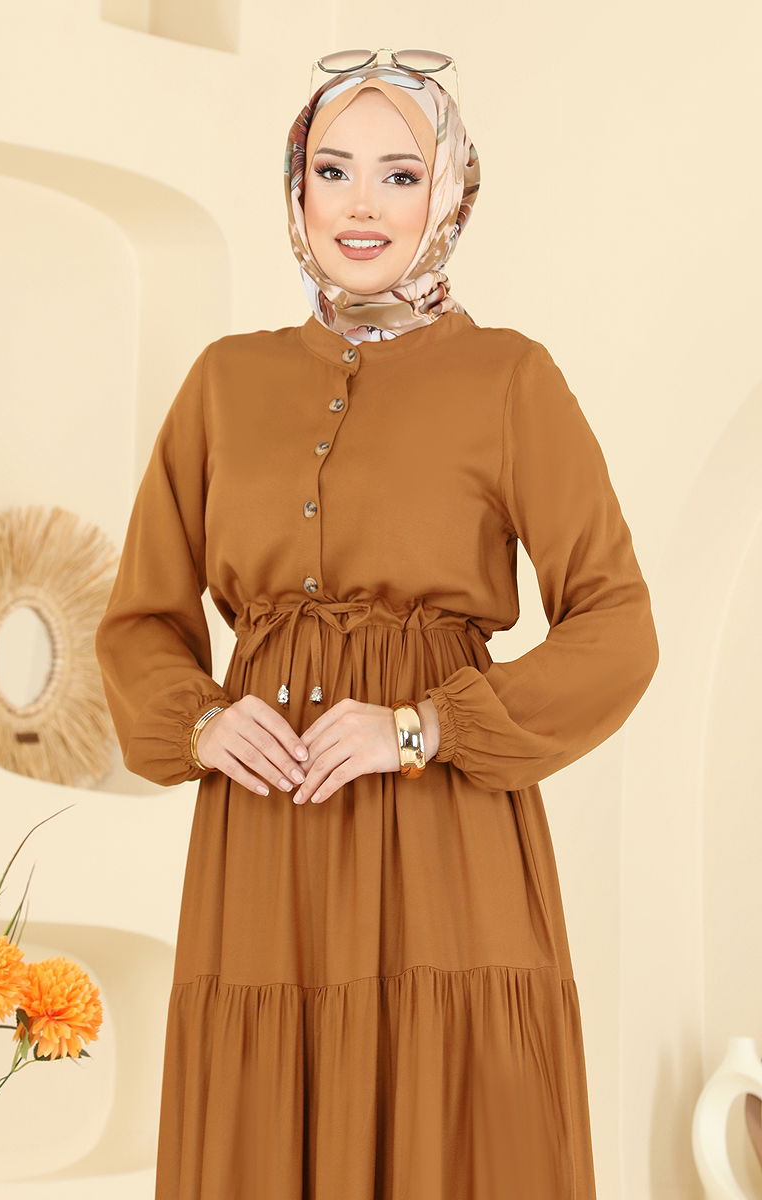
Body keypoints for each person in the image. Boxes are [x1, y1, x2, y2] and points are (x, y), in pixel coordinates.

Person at [95, 52, 659, 1200]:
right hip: (265, 851)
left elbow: (617, 625)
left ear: (448, 192)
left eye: (399, 174)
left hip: (444, 843)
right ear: (295, 188)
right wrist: (202, 722)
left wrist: (420, 728)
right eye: (332, 170)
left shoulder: (509, 379)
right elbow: (140, 619)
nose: (361, 205)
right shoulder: (222, 383)